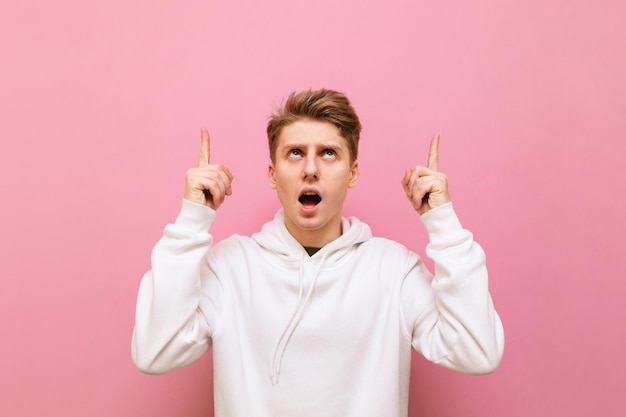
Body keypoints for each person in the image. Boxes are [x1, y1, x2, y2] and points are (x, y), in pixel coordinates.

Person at [131, 88, 504, 417]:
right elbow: (154, 352)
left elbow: (477, 351)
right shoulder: (229, 268)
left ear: (352, 172)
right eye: (295, 153)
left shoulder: (394, 271)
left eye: (328, 153)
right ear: (273, 173)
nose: (310, 169)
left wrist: (443, 222)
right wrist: (191, 220)